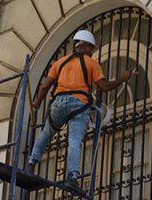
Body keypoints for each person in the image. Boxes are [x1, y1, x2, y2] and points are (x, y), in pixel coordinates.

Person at [26, 30, 132, 193]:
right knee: (74, 141)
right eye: (92, 48)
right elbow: (104, 86)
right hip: (79, 104)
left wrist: (37, 103)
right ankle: (72, 178)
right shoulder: (91, 64)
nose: (92, 51)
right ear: (86, 46)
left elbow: (45, 86)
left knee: (46, 133)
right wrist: (123, 79)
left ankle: (31, 164)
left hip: (59, 103)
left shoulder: (59, 63)